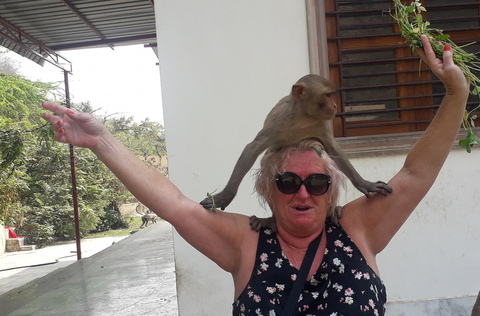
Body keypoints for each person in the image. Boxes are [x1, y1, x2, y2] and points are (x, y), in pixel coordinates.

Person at [42, 35, 468, 315]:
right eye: (288, 182)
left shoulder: (358, 229)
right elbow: (173, 204)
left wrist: (456, 92)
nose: (303, 191)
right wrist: (103, 142)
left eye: (317, 182)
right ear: (268, 191)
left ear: (330, 188)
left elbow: (415, 173)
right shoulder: (248, 241)